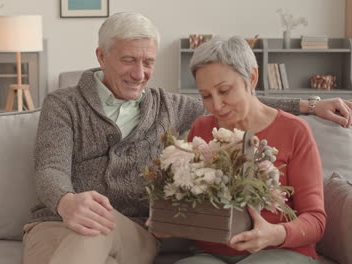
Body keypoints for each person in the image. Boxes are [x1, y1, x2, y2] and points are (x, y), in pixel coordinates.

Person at [22, 12, 352, 264]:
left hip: (130, 230)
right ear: (101, 56)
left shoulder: (170, 105)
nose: (139, 74)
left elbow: (242, 102)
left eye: (148, 62)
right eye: (128, 60)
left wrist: (312, 104)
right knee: (88, 233)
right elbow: (50, 169)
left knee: (95, 228)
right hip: (57, 223)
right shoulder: (64, 104)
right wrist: (66, 201)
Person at [175, 36, 326, 264]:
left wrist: (275, 234)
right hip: (212, 253)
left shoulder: (295, 130)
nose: (215, 105)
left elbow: (315, 220)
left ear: (252, 78)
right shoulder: (201, 129)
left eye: (224, 90)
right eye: (205, 95)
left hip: (280, 251)